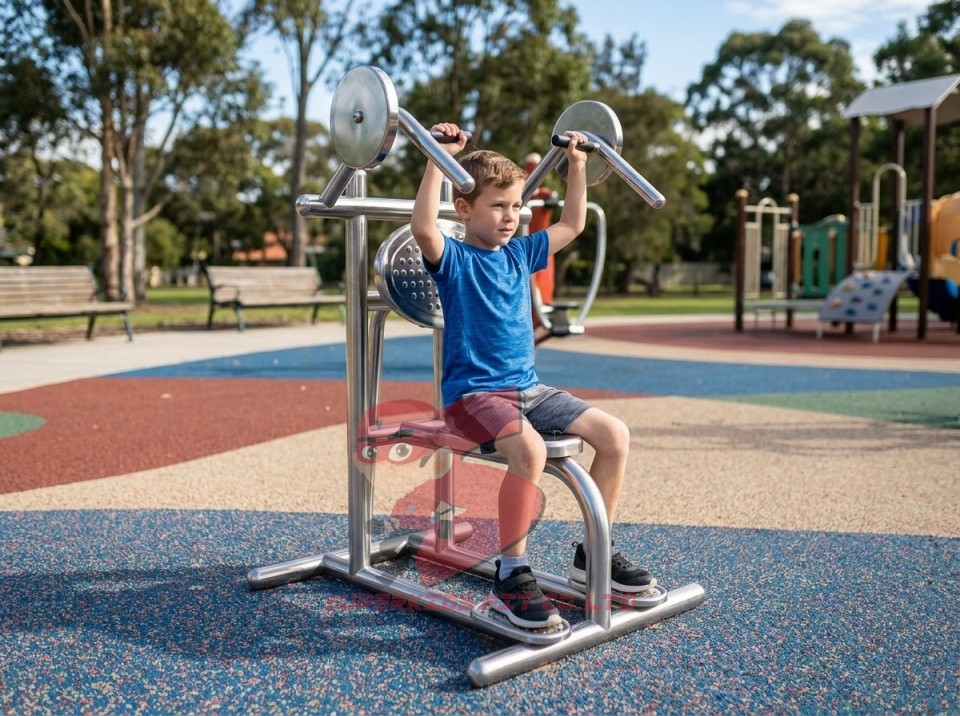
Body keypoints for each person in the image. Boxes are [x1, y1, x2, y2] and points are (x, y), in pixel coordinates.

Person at [410, 123, 656, 630]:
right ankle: (511, 575)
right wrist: (437, 157)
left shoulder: (520, 254)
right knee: (531, 451)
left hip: (530, 390)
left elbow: (573, 224)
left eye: (516, 205)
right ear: (464, 209)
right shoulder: (454, 258)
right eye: (497, 206)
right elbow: (423, 228)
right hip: (474, 397)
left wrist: (578, 165)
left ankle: (593, 554)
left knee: (614, 434)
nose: (510, 216)